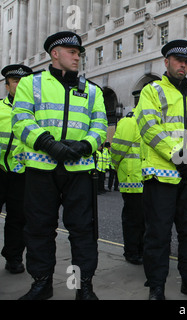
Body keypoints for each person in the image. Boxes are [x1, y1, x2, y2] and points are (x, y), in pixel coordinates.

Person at [11, 31, 107, 300]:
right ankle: (42, 284)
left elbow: (100, 126)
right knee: (39, 229)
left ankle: (82, 286)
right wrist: (49, 144)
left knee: (83, 232)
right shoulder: (31, 83)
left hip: (80, 170)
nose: (78, 57)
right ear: (55, 54)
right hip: (41, 169)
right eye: (72, 52)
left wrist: (84, 146)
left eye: (79, 54)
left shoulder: (92, 90)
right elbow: (21, 120)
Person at [135, 39, 187, 300]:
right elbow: (149, 128)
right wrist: (179, 156)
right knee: (158, 233)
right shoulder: (152, 91)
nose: (183, 65)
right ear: (166, 62)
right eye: (179, 60)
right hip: (161, 174)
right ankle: (156, 286)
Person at [0, 64, 33, 274]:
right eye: (15, 82)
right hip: (0, 170)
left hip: (21, 173)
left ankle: (13, 257)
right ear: (7, 85)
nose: (19, 85)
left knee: (18, 218)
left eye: (23, 82)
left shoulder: (33, 111)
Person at [111, 110, 145, 264]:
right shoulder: (129, 121)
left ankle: (142, 250)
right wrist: (118, 166)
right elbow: (117, 150)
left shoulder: (150, 119)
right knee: (134, 219)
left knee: (145, 220)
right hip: (133, 179)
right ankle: (132, 252)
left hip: (147, 178)